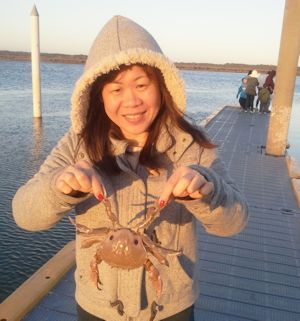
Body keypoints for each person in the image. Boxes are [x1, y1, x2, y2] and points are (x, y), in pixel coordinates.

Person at [12, 15, 248, 321]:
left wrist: (206, 191)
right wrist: (59, 187)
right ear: (98, 95)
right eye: (115, 90)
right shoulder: (77, 146)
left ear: (162, 86)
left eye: (141, 84)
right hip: (96, 306)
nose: (131, 101)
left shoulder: (191, 147)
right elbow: (24, 214)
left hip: (170, 308)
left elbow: (235, 221)